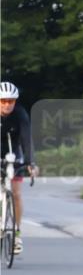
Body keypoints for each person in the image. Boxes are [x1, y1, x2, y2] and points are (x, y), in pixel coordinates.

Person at [0, 81, 38, 255]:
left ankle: (16, 233)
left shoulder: (20, 114)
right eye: (3, 101)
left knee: (16, 193)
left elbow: (26, 139)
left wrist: (31, 163)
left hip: (13, 151)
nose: (7, 104)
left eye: (11, 101)